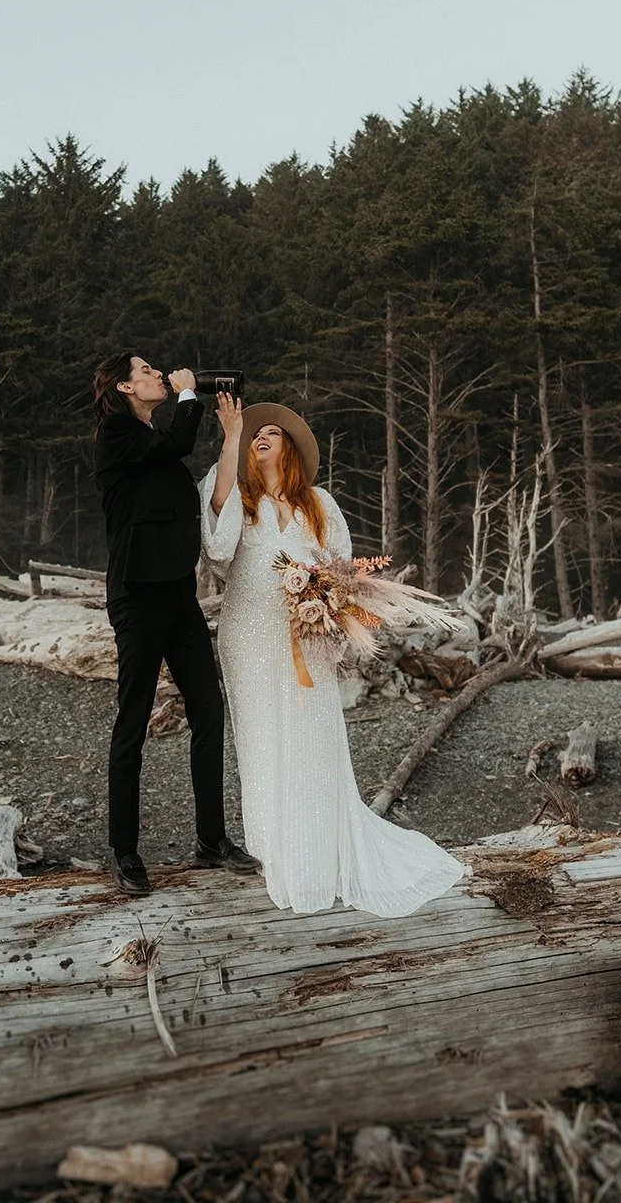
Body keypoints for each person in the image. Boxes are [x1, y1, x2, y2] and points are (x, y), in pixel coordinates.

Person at [200, 392, 467, 917]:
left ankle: (316, 854)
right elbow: (219, 550)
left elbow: (345, 574)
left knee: (310, 735)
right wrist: (229, 439)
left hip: (307, 634)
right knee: (260, 737)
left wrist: (326, 604)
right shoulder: (232, 492)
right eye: (254, 433)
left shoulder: (320, 504)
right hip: (248, 633)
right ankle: (274, 851)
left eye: (270, 433)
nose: (261, 436)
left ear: (291, 448)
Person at [93, 353, 260, 897]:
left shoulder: (155, 446)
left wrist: (231, 433)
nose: (159, 375)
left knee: (208, 711)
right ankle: (123, 851)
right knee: (134, 718)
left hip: (178, 595)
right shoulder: (117, 435)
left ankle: (211, 841)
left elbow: (190, 482)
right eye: (147, 371)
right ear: (124, 386)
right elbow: (177, 442)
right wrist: (191, 394)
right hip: (137, 596)